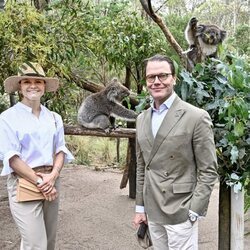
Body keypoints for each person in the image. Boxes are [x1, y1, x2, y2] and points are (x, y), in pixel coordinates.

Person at [132, 54, 218, 249]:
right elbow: (142, 166)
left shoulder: (196, 117)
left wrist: (195, 210)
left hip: (181, 209)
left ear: (174, 78)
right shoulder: (141, 119)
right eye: (150, 77)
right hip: (153, 209)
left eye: (162, 76)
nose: (156, 82)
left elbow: (208, 169)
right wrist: (140, 208)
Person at [0, 62, 74, 250]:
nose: (33, 85)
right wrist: (40, 182)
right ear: (20, 87)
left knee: (48, 241)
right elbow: (12, 158)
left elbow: (60, 150)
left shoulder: (54, 117)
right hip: (24, 182)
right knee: (36, 244)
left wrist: (52, 176)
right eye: (27, 81)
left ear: (44, 86)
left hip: (51, 180)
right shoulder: (8, 118)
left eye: (38, 81)